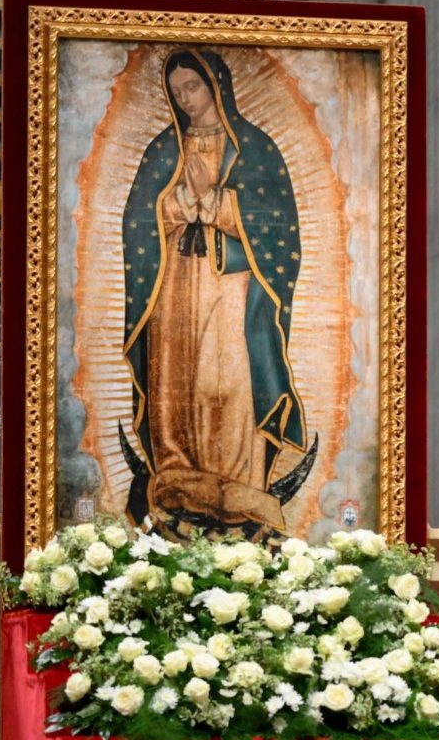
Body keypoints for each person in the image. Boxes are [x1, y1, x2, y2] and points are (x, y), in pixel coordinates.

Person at [121, 48, 306, 535]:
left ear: (215, 85)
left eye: (193, 87)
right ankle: (177, 478)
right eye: (176, 91)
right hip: (175, 286)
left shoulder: (254, 149)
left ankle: (238, 486)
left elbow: (278, 229)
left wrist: (216, 201)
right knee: (175, 380)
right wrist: (179, 203)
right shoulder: (164, 149)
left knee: (225, 382)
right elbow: (138, 220)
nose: (185, 99)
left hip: (231, 288)